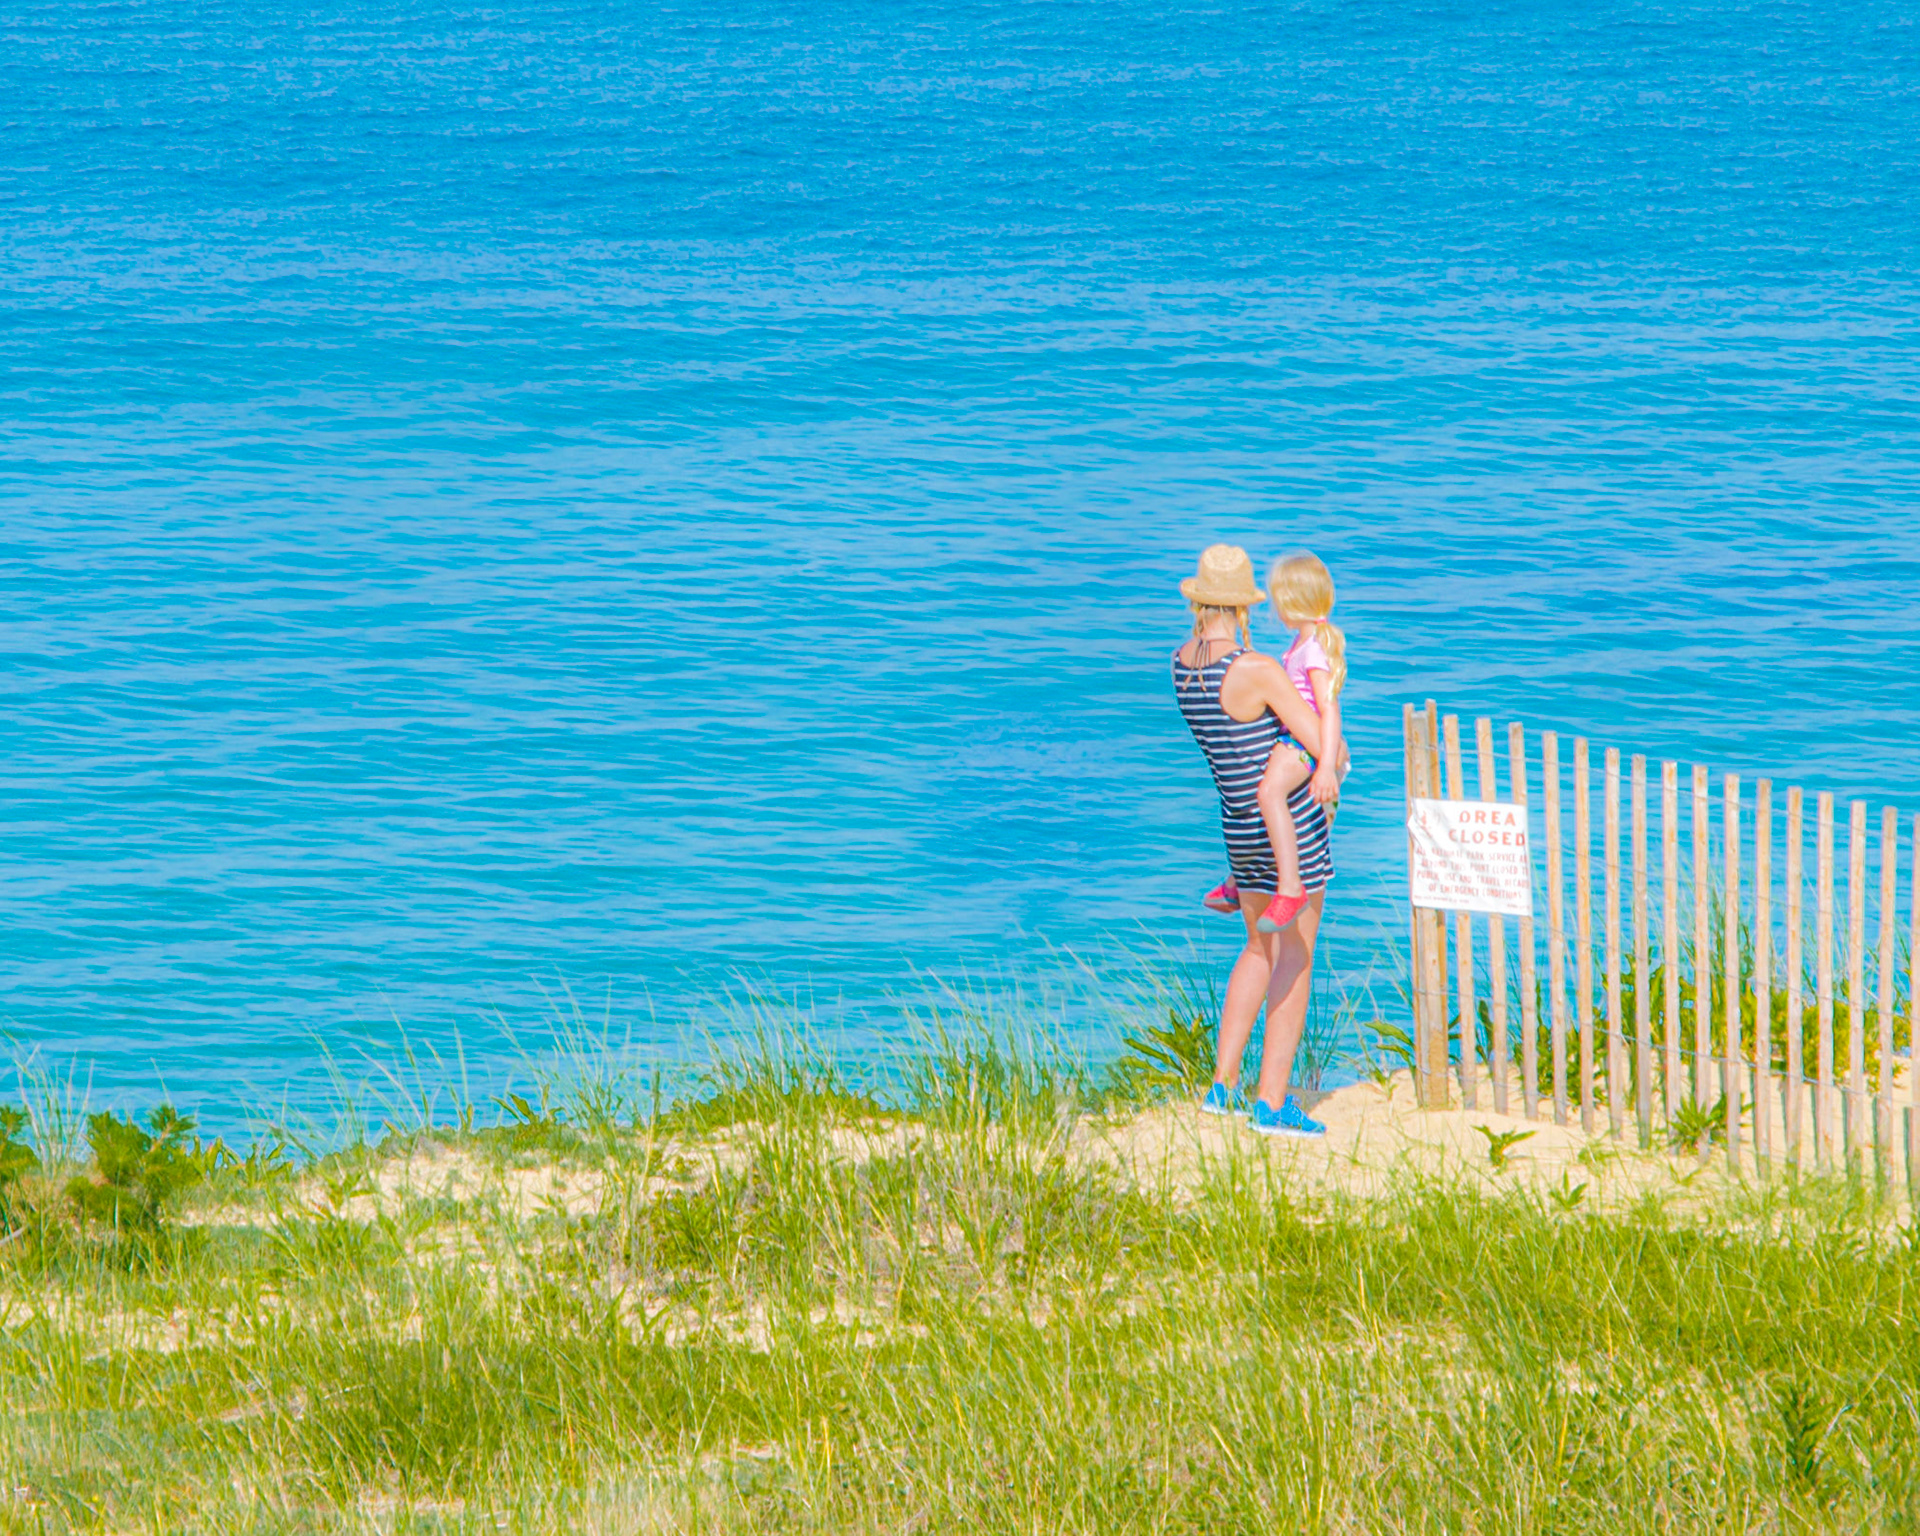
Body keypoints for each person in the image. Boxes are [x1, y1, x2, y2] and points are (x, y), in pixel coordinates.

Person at [1172, 544, 1338, 1137]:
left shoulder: (1182, 663)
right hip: (1287, 828)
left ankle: (1222, 1085)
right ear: (1243, 607)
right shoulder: (1256, 668)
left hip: (1239, 829)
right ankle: (1271, 1103)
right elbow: (1324, 743)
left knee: (1255, 951)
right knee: (1293, 957)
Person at [1199, 552, 1346, 933]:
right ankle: (1237, 880)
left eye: (1279, 601)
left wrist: (1327, 763)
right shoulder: (1300, 646)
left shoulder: (1312, 651)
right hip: (1293, 740)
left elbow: (1328, 709)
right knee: (1257, 793)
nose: (1274, 609)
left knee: (1266, 793)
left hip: (1304, 747)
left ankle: (1290, 887)